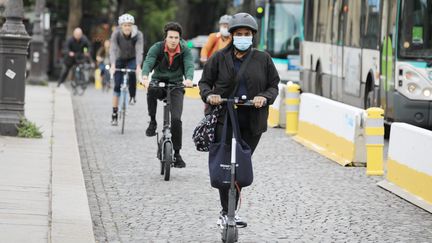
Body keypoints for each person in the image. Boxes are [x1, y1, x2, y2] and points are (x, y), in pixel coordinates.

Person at [198, 13, 279, 227]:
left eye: (247, 34)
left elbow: (273, 86)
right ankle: (227, 212)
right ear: (232, 36)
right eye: (239, 34)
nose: (243, 37)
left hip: (253, 121)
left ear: (252, 36)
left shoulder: (263, 59)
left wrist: (264, 97)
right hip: (225, 119)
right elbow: (204, 83)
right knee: (226, 166)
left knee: (240, 167)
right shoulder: (218, 58)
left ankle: (231, 208)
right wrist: (210, 96)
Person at [141, 22, 194, 168]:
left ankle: (177, 153)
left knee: (176, 119)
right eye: (170, 37)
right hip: (159, 82)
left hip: (176, 85)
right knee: (151, 89)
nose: (173, 40)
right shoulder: (157, 48)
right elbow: (149, 61)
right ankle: (152, 121)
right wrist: (145, 77)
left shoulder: (185, 50)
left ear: (179, 38)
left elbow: (189, 64)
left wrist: (189, 79)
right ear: (166, 37)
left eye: (176, 37)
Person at [109, 13, 144, 126]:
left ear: (132, 26)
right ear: (121, 26)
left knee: (133, 73)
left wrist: (138, 66)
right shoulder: (116, 34)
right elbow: (113, 49)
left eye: (129, 25)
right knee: (117, 86)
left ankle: (132, 96)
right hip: (119, 59)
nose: (127, 27)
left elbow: (139, 50)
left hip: (132, 59)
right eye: (125, 25)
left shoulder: (138, 35)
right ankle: (114, 114)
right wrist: (113, 65)